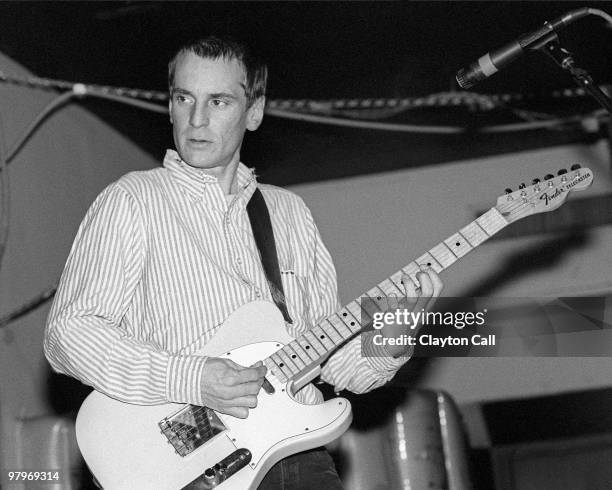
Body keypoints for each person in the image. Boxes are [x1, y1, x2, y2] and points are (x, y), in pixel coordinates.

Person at [44, 35, 442, 489]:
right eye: (183, 98)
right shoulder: (133, 200)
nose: (196, 119)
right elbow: (69, 333)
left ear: (253, 112)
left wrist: (394, 337)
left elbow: (333, 363)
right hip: (188, 461)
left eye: (219, 101)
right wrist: (192, 377)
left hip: (297, 453)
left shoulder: (289, 214)